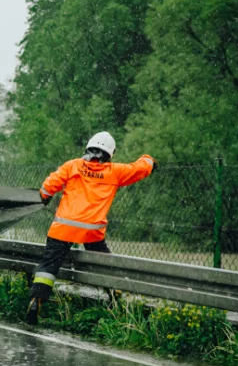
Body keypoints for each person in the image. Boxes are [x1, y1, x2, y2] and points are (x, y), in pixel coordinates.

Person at [27, 132, 155, 325]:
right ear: (110, 153)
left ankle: (36, 300)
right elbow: (139, 169)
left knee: (48, 265)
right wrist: (149, 159)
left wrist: (44, 196)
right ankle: (114, 295)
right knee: (104, 263)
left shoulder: (72, 166)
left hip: (63, 227)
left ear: (88, 148)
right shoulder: (115, 171)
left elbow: (49, 186)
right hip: (91, 231)